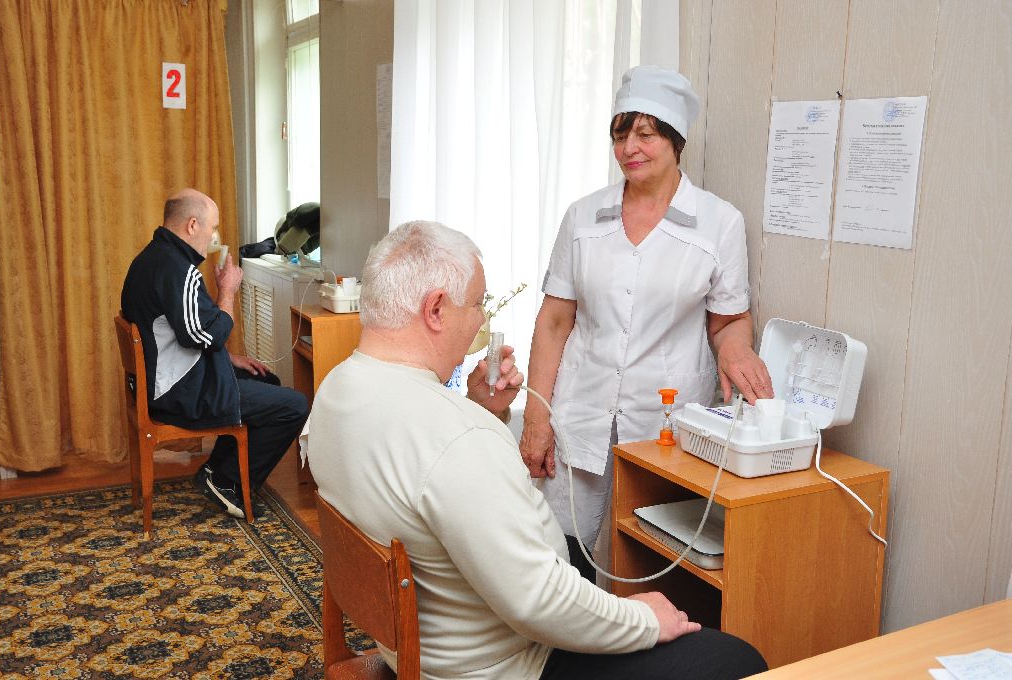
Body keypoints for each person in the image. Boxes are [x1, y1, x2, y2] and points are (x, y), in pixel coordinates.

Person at [304, 220, 767, 680]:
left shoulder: (336, 390)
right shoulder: (459, 439)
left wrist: (480, 412)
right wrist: (646, 620)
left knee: (579, 563)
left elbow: (417, 466)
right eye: (478, 304)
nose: (481, 319)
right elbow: (538, 602)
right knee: (737, 659)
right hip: (507, 665)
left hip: (420, 648)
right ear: (437, 310)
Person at [520, 66, 774, 580]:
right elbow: (554, 321)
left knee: (654, 557)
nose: (629, 148)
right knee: (558, 554)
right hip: (580, 408)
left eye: (645, 134)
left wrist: (736, 347)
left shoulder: (719, 222)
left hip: (666, 419)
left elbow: (729, 319)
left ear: (676, 140)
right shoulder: (583, 216)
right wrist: (535, 417)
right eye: (620, 134)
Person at [121, 188, 308, 518]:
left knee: (266, 378)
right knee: (295, 405)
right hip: (177, 392)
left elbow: (180, 333)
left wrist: (229, 359)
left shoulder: (152, 258)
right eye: (213, 227)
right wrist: (227, 292)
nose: (214, 236)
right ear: (192, 225)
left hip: (162, 379)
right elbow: (205, 335)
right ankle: (227, 481)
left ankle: (216, 470)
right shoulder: (178, 270)